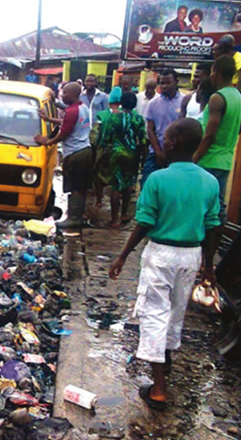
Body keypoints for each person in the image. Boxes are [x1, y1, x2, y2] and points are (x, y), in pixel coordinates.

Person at [109, 118, 220, 411]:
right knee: (175, 311)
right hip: (191, 256)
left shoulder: (157, 179)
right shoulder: (209, 182)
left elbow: (144, 222)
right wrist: (208, 267)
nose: (164, 141)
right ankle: (165, 361)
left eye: (167, 137)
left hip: (161, 254)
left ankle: (158, 388)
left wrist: (123, 255)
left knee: (155, 313)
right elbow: (212, 227)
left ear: (173, 143)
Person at [35, 83, 92, 230]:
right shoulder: (83, 107)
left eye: (65, 93)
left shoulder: (72, 111)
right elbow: (66, 123)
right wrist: (48, 119)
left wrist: (47, 141)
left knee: (75, 188)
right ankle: (77, 216)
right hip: (84, 150)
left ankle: (73, 219)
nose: (62, 95)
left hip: (75, 153)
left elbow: (64, 133)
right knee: (81, 187)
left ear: (73, 94)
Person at [194, 55, 241, 228]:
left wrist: (194, 159)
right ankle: (211, 252)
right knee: (218, 207)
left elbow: (209, 136)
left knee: (202, 209)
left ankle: (203, 249)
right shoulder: (237, 96)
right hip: (226, 160)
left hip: (209, 160)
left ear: (216, 73)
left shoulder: (217, 98)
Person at [102, 92, 147, 227]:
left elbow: (106, 136)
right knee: (128, 184)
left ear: (121, 103)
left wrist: (104, 149)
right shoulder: (138, 119)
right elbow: (143, 140)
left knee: (116, 185)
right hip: (132, 154)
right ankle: (124, 214)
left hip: (116, 153)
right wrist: (143, 158)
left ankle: (114, 219)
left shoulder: (113, 117)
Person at [142, 69, 183, 188]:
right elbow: (150, 130)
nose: (164, 86)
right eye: (162, 83)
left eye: (168, 83)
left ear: (176, 82)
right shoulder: (153, 103)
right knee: (147, 186)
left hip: (177, 154)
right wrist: (159, 153)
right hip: (155, 152)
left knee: (173, 188)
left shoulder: (184, 102)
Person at [91, 87, 122, 207]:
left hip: (103, 151)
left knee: (99, 177)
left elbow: (94, 136)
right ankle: (117, 206)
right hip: (120, 151)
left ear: (109, 102)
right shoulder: (127, 115)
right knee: (116, 179)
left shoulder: (102, 115)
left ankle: (99, 200)